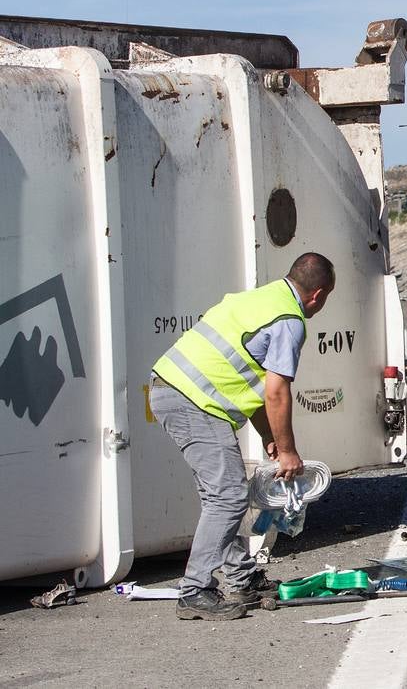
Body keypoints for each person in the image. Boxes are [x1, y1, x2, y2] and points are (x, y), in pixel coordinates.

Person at [149, 252, 335, 621]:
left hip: (178, 389)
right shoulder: (289, 320)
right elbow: (276, 392)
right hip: (193, 400)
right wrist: (287, 452)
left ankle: (241, 578)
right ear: (318, 295)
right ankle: (195, 590)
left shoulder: (262, 298)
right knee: (229, 496)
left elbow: (245, 377)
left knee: (222, 496)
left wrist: (269, 436)